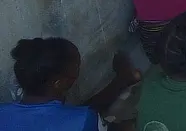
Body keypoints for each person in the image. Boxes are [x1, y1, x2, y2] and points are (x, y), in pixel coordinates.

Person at [0, 38, 139, 131]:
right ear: (58, 83)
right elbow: (80, 119)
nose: (79, 70)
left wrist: (120, 80)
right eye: (77, 67)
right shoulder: (83, 120)